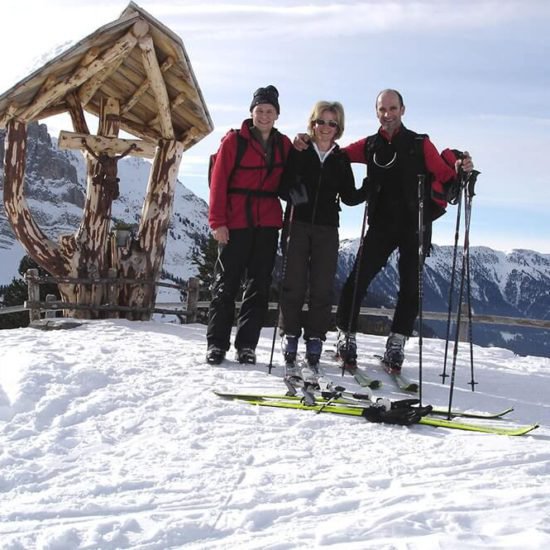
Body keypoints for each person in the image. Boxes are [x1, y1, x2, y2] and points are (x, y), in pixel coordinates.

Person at [294, 89, 474, 371]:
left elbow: (447, 175)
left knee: (410, 288)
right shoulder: (370, 146)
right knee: (357, 280)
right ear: (376, 112)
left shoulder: (419, 144)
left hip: (415, 226)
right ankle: (346, 336)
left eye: (392, 108)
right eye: (382, 109)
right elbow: (335, 152)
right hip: (381, 225)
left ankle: (396, 343)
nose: (387, 114)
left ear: (403, 109)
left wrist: (461, 165)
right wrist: (306, 140)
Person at [278, 101, 366, 379]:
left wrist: (371, 187)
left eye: (332, 123)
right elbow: (281, 185)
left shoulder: (340, 160)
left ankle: (315, 339)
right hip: (297, 223)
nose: (326, 128)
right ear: (312, 123)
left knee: (322, 287)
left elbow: (350, 196)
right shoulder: (299, 151)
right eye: (321, 122)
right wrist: (297, 195)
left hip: (328, 229)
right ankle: (290, 335)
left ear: (338, 128)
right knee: (293, 283)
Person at [206, 85, 292, 365]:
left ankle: (247, 345)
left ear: (277, 114)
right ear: (251, 112)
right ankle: (217, 344)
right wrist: (218, 222)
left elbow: (294, 173)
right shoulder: (234, 142)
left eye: (269, 111)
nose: (264, 115)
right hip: (236, 221)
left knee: (259, 286)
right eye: (260, 110)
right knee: (225, 284)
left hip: (267, 223)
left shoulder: (284, 144)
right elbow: (218, 183)